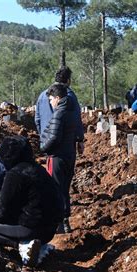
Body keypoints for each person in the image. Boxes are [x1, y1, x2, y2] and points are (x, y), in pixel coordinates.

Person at [0, 136, 64, 266]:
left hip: (33, 228)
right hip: (51, 228)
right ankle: (41, 245)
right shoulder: (38, 169)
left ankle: (24, 245)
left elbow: (1, 213)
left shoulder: (15, 175)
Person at [35, 67, 83, 233]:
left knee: (54, 185)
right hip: (67, 147)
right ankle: (63, 220)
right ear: (68, 80)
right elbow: (77, 119)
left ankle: (58, 221)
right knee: (63, 186)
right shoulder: (69, 96)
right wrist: (79, 139)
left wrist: (43, 141)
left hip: (52, 150)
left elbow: (38, 119)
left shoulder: (43, 95)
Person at [40, 83, 77, 233]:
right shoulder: (71, 112)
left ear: (57, 98)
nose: (50, 102)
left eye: (51, 100)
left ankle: (58, 224)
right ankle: (65, 221)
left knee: (55, 189)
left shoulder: (59, 114)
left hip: (56, 157)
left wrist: (43, 148)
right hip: (69, 155)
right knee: (64, 189)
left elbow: (54, 137)